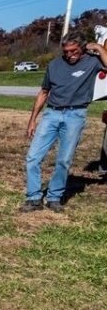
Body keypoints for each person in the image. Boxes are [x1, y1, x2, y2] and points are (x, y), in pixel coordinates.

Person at [21, 33, 107, 213]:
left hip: (75, 115)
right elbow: (44, 92)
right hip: (51, 114)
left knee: (64, 160)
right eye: (66, 51)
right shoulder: (54, 65)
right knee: (33, 157)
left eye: (73, 50)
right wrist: (32, 120)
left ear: (83, 48)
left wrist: (99, 48)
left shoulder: (93, 61)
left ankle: (54, 197)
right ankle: (33, 198)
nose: (69, 54)